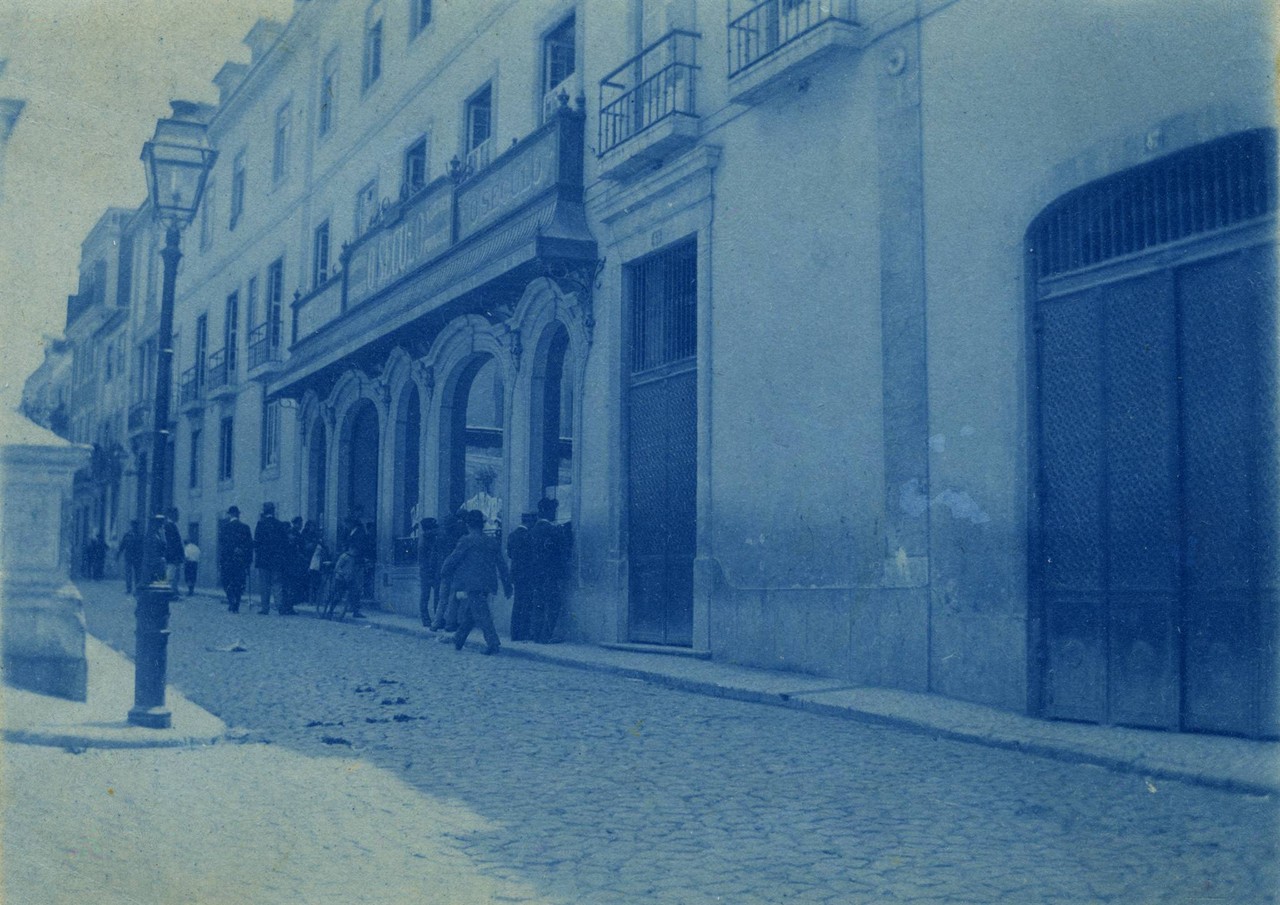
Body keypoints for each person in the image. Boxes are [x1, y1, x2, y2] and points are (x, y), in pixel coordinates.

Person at [440, 508, 512, 656]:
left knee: (482, 614)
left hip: (472, 583)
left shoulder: (466, 540)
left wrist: (444, 571)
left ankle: (493, 643)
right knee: (472, 613)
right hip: (487, 583)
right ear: (482, 525)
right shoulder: (491, 541)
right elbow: (502, 564)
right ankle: (459, 639)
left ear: (468, 524)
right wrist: (507, 585)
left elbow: (453, 558)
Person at [529, 498, 571, 644]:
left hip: (536, 573)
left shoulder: (533, 530)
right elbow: (563, 549)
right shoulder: (553, 530)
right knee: (553, 603)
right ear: (547, 511)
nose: (554, 513)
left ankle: (536, 634)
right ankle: (546, 635)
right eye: (553, 510)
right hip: (550, 574)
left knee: (539, 603)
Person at [506, 512, 538, 641]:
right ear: (529, 522)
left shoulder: (512, 535)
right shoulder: (529, 536)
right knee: (526, 603)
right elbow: (532, 557)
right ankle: (523, 633)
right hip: (527, 574)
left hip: (516, 574)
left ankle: (514, 633)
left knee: (518, 603)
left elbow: (510, 554)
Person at [253, 502, 289, 614]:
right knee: (277, 583)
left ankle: (265, 608)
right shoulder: (280, 525)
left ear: (264, 511)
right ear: (273, 511)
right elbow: (285, 543)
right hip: (277, 560)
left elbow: (256, 543)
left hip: (264, 560)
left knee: (264, 585)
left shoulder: (260, 524)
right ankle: (280, 607)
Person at [219, 506, 254, 613]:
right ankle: (236, 605)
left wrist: (222, 561)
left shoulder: (224, 527)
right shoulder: (245, 527)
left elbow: (222, 546)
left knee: (227, 582)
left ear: (230, 514)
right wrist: (248, 561)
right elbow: (249, 546)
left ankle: (231, 600)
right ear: (238, 514)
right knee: (239, 583)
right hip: (240, 561)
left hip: (227, 561)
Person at [416, 517, 442, 628]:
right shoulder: (425, 541)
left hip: (433, 570)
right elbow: (426, 559)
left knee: (436, 595)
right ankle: (426, 619)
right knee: (426, 595)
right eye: (433, 528)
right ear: (428, 529)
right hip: (427, 571)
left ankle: (435, 618)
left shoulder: (431, 539)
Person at [116, 520, 143, 594]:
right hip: (128, 557)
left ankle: (137, 589)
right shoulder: (127, 535)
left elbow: (143, 547)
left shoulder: (141, 535)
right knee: (128, 574)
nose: (135, 527)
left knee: (137, 574)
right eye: (133, 525)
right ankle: (129, 589)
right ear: (132, 526)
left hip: (138, 557)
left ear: (138, 526)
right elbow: (122, 545)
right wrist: (118, 554)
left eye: (136, 525)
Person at [163, 508, 185, 594]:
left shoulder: (172, 525)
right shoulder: (169, 526)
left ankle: (174, 591)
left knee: (175, 575)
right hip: (172, 557)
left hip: (175, 556)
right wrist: (175, 557)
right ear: (171, 515)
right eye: (176, 514)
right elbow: (171, 544)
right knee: (171, 575)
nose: (178, 516)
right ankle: (168, 592)